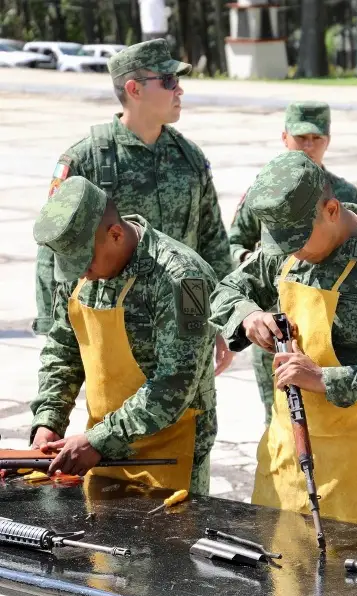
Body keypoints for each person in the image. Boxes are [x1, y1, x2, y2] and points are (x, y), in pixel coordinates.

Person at [28, 176, 229, 596]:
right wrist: (48, 420)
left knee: (178, 587)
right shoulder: (80, 263)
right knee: (119, 582)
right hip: (103, 446)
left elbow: (172, 386)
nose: (84, 275)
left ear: (115, 234)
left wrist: (97, 441)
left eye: (89, 262)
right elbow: (63, 344)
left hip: (172, 448)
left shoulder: (179, 276)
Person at [209, 151, 357, 522]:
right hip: (286, 446)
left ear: (332, 209)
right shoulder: (289, 249)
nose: (292, 252)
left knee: (353, 570)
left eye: (299, 240)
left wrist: (323, 379)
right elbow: (226, 290)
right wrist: (249, 315)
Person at [36, 38, 235, 373]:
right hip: (119, 325)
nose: (180, 90)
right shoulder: (86, 160)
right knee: (116, 421)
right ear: (134, 89)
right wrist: (57, 334)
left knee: (195, 424)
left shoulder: (190, 158)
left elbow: (212, 242)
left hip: (188, 320)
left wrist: (224, 319)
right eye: (169, 81)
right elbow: (54, 252)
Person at [228, 101, 357, 425]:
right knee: (281, 421)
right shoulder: (267, 191)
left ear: (328, 141)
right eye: (301, 137)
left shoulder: (346, 194)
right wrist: (250, 261)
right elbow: (232, 243)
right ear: (284, 138)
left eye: (316, 138)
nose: (308, 145)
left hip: (333, 327)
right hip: (277, 326)